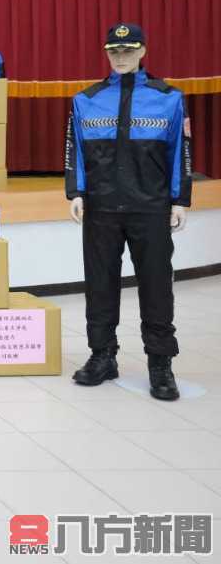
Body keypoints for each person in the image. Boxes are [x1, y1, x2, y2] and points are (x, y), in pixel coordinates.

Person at [65, 23, 192, 401]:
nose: (121, 58)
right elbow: (75, 150)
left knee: (156, 286)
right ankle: (102, 356)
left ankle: (160, 364)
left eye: (128, 51)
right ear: (107, 53)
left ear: (142, 52)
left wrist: (179, 198)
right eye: (114, 52)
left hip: (149, 208)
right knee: (99, 284)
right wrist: (77, 191)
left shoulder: (168, 98)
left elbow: (178, 152)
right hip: (101, 208)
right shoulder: (86, 99)